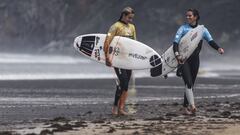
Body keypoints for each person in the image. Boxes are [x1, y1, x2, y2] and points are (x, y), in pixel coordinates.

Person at [173, 9, 224, 115]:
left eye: (190, 16)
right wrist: (177, 55)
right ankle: (192, 106)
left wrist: (218, 48)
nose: (187, 17)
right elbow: (175, 43)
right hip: (183, 60)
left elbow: (210, 41)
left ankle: (184, 107)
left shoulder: (202, 30)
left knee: (190, 85)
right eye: (186, 15)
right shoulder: (183, 29)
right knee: (188, 83)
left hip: (195, 60)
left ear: (195, 17)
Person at [103, 7, 136, 115]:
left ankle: (120, 108)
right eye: (129, 18)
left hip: (128, 59)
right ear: (124, 15)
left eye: (132, 18)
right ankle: (116, 107)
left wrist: (135, 58)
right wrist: (107, 57)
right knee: (123, 82)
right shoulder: (115, 26)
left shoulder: (132, 27)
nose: (131, 20)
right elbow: (107, 42)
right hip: (117, 59)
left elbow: (135, 44)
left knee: (125, 85)